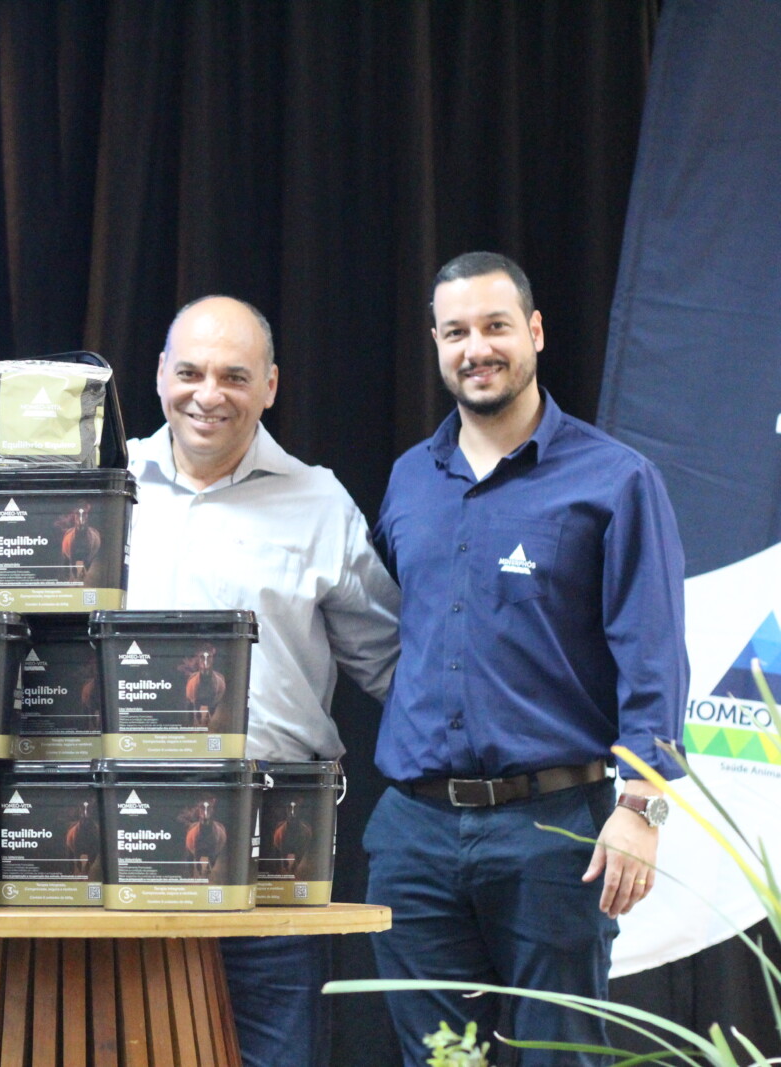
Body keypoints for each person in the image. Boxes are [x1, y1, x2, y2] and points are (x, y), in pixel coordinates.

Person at [364, 252, 688, 1066]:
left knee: (559, 1054)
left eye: (496, 326)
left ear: (535, 332)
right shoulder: (409, 479)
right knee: (437, 1057)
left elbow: (652, 659)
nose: (477, 348)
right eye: (456, 332)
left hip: (553, 830)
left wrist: (642, 808)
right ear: (437, 344)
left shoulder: (616, 479)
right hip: (413, 832)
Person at [124, 295, 402, 1067]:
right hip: (122, 844)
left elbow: (392, 664)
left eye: (234, 376)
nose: (208, 394)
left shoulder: (320, 502)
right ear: (160, 375)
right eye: (190, 372)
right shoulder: (106, 486)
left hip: (272, 847)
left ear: (270, 385)